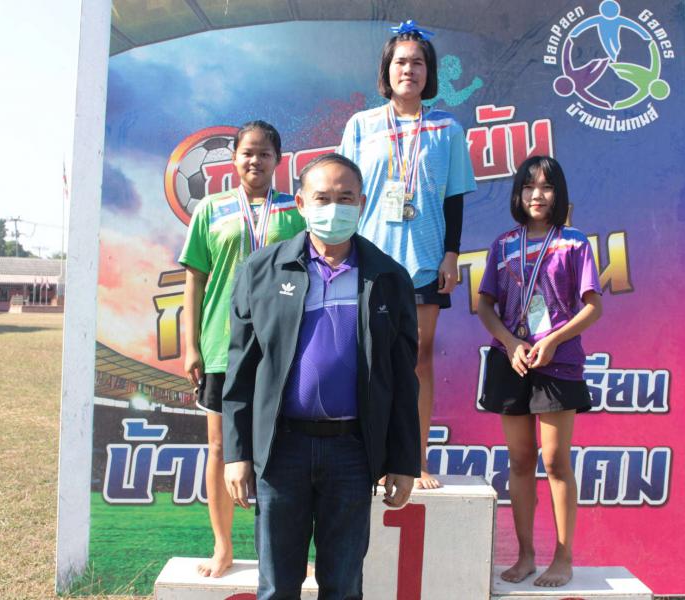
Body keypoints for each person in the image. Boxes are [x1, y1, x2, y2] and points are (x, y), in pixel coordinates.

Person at [222, 153, 420, 599]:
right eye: (323, 198)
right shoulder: (262, 271)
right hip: (281, 451)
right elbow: (241, 370)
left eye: (346, 198)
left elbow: (403, 380)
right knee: (277, 587)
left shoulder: (389, 278)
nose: (334, 208)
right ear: (300, 204)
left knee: (343, 587)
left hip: (352, 453)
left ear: (362, 204)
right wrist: (237, 453)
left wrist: (404, 461)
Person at [339, 19, 477, 489]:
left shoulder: (447, 129)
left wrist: (451, 254)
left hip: (423, 261)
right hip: (369, 261)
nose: (409, 70)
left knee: (418, 360)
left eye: (418, 63)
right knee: (365, 358)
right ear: (387, 70)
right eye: (401, 62)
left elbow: (454, 198)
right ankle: (366, 457)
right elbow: (343, 193)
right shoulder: (361, 126)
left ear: (429, 72)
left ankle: (414, 460)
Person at [179, 121, 306, 578]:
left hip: (282, 346)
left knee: (285, 449)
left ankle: (292, 553)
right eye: (248, 152)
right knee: (219, 448)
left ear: (278, 160)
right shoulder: (210, 209)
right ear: (233, 158)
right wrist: (191, 346)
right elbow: (194, 279)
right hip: (221, 346)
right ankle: (223, 547)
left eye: (265, 153)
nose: (256, 160)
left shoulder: (295, 211)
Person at [475, 156, 602, 587]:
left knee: (555, 461)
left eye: (546, 187)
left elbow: (593, 307)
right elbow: (485, 306)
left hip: (557, 362)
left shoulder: (574, 243)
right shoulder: (503, 244)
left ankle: (563, 558)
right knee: (520, 460)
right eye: (529, 187)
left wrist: (553, 341)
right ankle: (526, 555)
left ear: (558, 194)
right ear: (518, 193)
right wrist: (510, 342)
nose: (537, 195)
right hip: (511, 360)